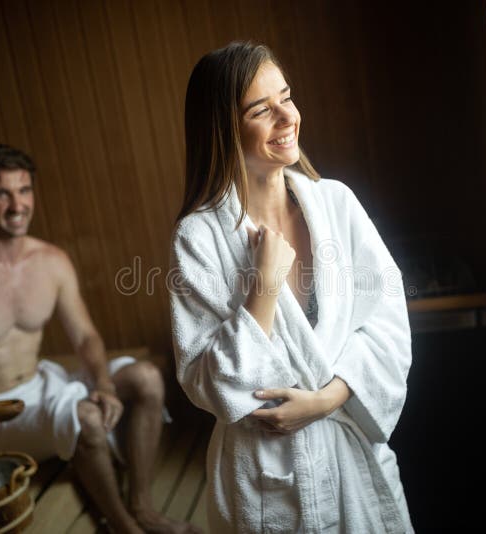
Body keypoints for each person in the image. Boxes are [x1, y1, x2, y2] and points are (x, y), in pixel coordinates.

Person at [170, 42, 414, 533]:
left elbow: (388, 326)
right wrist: (263, 285)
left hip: (350, 461)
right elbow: (208, 385)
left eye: (286, 97)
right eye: (262, 110)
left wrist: (327, 399)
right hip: (266, 474)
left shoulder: (337, 204)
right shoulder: (198, 238)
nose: (288, 117)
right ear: (223, 128)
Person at [0, 144, 199, 534]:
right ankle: (125, 527)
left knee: (147, 378)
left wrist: (103, 384)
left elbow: (85, 336)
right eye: (1, 193)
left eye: (24, 190)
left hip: (42, 386)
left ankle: (143, 508)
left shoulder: (51, 261)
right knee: (85, 418)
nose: (17, 205)